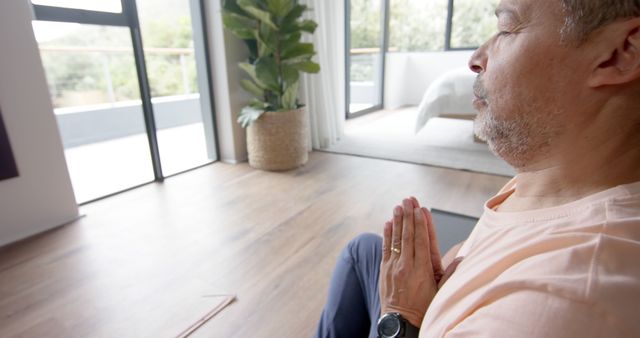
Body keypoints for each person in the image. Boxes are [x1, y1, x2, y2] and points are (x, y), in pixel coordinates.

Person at [314, 0, 640, 337]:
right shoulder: (553, 176)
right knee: (362, 250)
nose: (475, 59)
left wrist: (402, 314)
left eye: (506, 29)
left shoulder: (555, 307)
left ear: (620, 52)